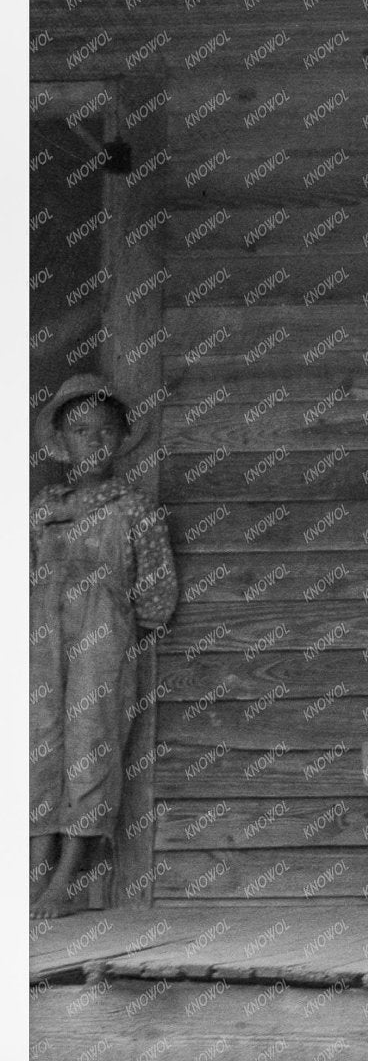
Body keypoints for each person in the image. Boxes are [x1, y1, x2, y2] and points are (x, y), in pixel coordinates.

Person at [30, 374, 179, 918]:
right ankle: (34, 868)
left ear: (118, 441)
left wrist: (111, 626)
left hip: (102, 643)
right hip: (40, 642)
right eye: (78, 430)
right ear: (61, 442)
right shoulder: (41, 507)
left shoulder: (134, 508)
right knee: (38, 745)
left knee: (91, 747)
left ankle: (68, 877)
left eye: (103, 432)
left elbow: (158, 596)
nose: (91, 442)